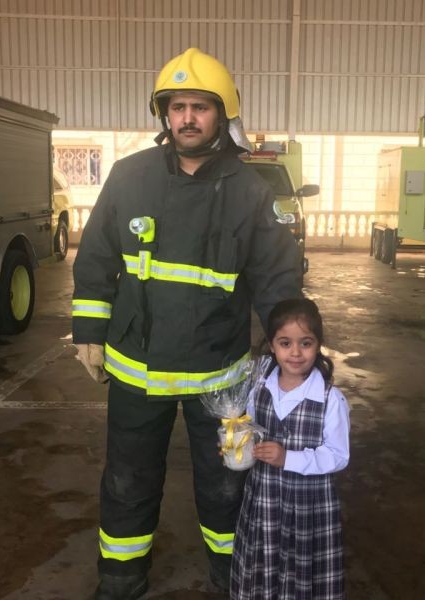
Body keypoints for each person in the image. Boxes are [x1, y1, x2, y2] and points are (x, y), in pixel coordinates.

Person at [71, 47, 302, 600]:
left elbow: (278, 280)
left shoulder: (251, 193)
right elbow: (97, 257)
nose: (188, 118)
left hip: (222, 378)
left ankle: (233, 577)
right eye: (178, 107)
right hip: (136, 369)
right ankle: (121, 579)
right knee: (127, 482)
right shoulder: (129, 177)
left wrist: (291, 356)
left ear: (223, 115)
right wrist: (89, 334)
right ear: (164, 114)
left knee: (228, 486)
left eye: (201, 106)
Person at [231, 298, 350, 600]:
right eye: (285, 343)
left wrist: (288, 457)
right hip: (265, 501)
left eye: (305, 343)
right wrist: (237, 445)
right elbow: (249, 429)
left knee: (302, 567)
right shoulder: (258, 388)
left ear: (318, 345)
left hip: (308, 506)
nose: (295, 353)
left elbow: (338, 456)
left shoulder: (330, 399)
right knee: (265, 562)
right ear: (272, 346)